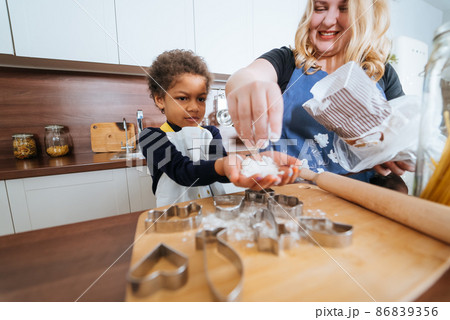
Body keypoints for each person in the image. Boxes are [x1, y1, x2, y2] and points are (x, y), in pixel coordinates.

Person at [225, 0, 415, 190]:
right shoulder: (287, 61)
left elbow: (405, 136)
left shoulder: (382, 73)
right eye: (320, 8)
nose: (328, 21)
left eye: (344, 8)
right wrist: (244, 85)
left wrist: (390, 153)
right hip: (285, 197)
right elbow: (246, 76)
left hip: (356, 200)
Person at [139, 49, 301, 207]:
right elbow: (183, 172)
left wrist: (250, 164)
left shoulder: (210, 133)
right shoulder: (152, 137)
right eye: (183, 98)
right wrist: (224, 165)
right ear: (160, 99)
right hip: (174, 215)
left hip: (212, 210)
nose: (194, 107)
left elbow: (222, 174)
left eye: (201, 99)